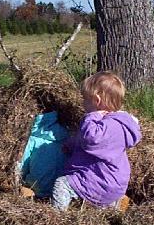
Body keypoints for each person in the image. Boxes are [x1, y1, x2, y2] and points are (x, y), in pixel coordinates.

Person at [51, 71, 141, 211]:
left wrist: (91, 116)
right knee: (97, 198)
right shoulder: (118, 125)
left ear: (96, 100)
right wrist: (70, 144)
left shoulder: (109, 126)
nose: (83, 103)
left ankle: (57, 219)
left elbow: (90, 140)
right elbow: (86, 140)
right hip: (114, 182)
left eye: (85, 100)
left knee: (62, 184)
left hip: (102, 180)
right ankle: (114, 204)